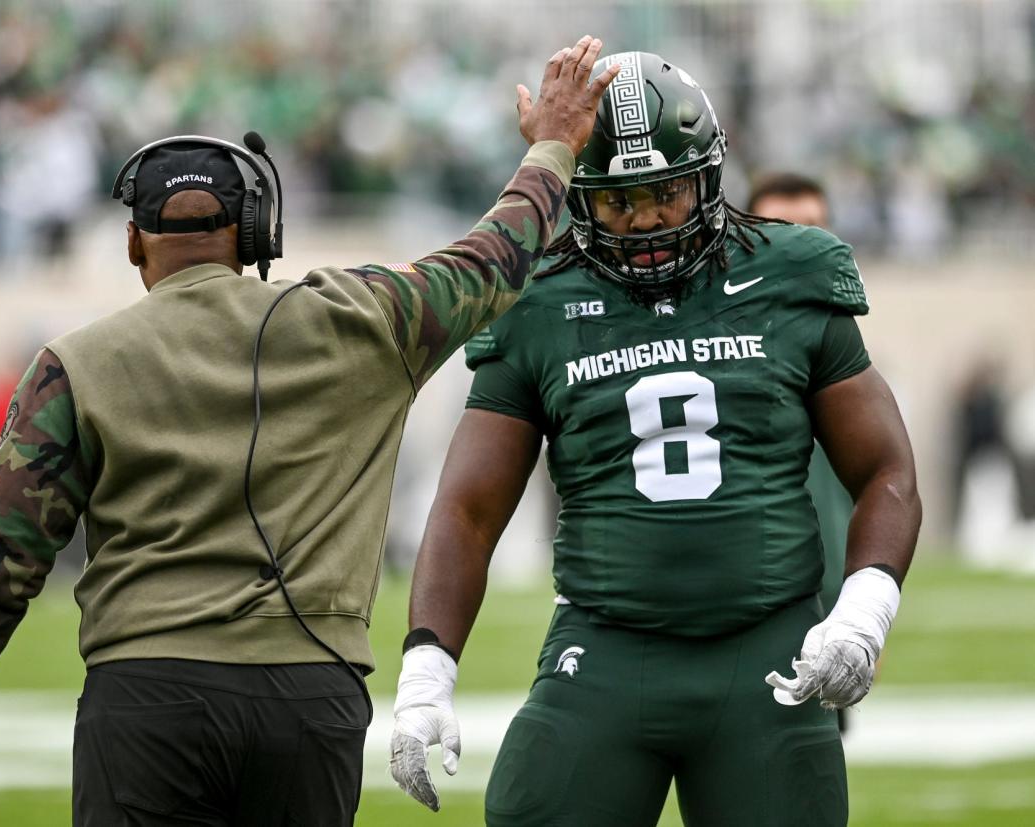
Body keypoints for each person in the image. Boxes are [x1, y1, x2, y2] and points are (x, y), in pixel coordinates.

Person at [0, 35, 623, 827]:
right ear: (256, 230)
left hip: (144, 697)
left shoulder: (73, 364)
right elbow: (492, 261)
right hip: (309, 700)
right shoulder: (358, 317)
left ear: (133, 240)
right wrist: (554, 144)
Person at [389, 52, 922, 826]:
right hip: (606, 649)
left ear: (706, 176)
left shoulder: (791, 271)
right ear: (579, 198)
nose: (643, 220)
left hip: (765, 645)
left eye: (664, 192)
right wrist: (427, 672)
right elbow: (468, 508)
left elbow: (887, 468)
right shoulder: (540, 300)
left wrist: (863, 608)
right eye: (617, 201)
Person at [747, 173, 855, 733]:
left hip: (828, 619)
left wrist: (861, 617)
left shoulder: (843, 365)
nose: (799, 244)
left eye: (812, 228)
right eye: (780, 229)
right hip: (738, 620)